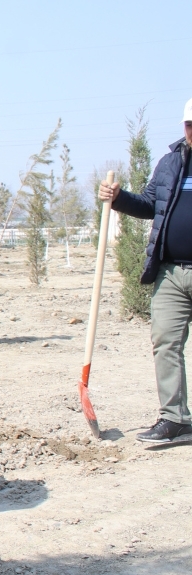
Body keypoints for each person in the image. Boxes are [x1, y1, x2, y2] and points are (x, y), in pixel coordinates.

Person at [99, 97, 192, 444]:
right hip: (170, 274)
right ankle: (176, 419)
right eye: (190, 125)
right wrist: (119, 198)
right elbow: (151, 205)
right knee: (165, 343)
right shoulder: (170, 163)